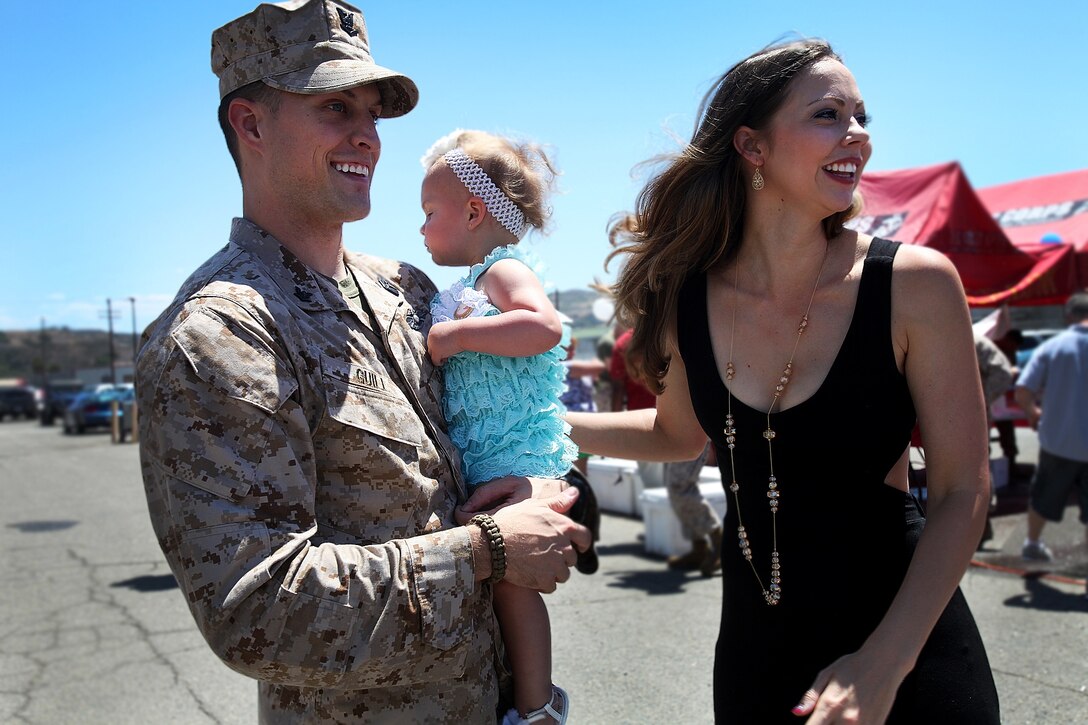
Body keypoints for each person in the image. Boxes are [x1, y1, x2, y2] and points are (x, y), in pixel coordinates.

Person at [135, 3, 590, 722]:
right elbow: (255, 609)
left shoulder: (408, 290)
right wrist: (487, 551)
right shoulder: (219, 335)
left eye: (373, 114)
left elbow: (494, 417)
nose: (367, 137)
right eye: (334, 107)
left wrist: (537, 486)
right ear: (251, 125)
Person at [565, 39, 999, 723]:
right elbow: (677, 434)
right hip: (755, 658)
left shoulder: (914, 283)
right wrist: (549, 428)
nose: (858, 135)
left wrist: (883, 665)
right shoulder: (687, 298)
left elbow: (962, 491)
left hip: (910, 652)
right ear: (752, 146)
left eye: (861, 117)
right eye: (828, 114)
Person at [419, 129, 580, 724]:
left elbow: (543, 327)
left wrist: (456, 335)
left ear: (473, 212)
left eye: (429, 213)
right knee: (497, 580)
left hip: (517, 456)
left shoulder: (503, 269)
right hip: (491, 457)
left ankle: (539, 706)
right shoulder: (471, 283)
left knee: (513, 582)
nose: (421, 227)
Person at [611, 327, 724, 575]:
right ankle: (700, 544)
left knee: (680, 487)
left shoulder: (671, 348)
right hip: (684, 429)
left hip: (691, 430)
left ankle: (715, 538)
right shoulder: (666, 346)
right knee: (678, 488)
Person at [1013, 292, 1088, 577]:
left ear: (1068, 316)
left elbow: (1023, 391)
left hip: (1058, 441)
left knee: (1043, 498)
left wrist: (1033, 413)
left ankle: (1032, 544)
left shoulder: (1052, 347)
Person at [974, 331, 1015, 547]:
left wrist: (978, 400)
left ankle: (981, 526)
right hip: (938, 417)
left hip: (970, 418)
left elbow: (1002, 373)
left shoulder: (972, 340)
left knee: (975, 468)